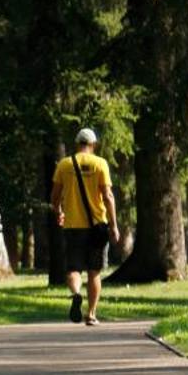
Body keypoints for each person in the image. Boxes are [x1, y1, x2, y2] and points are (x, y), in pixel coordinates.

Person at [52, 127, 121, 326]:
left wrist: (59, 212)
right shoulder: (100, 163)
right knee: (94, 271)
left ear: (77, 144)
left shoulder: (64, 165)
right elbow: (108, 196)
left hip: (73, 226)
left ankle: (75, 294)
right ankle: (91, 314)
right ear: (93, 145)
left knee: (74, 269)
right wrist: (114, 226)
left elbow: (55, 196)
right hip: (97, 225)